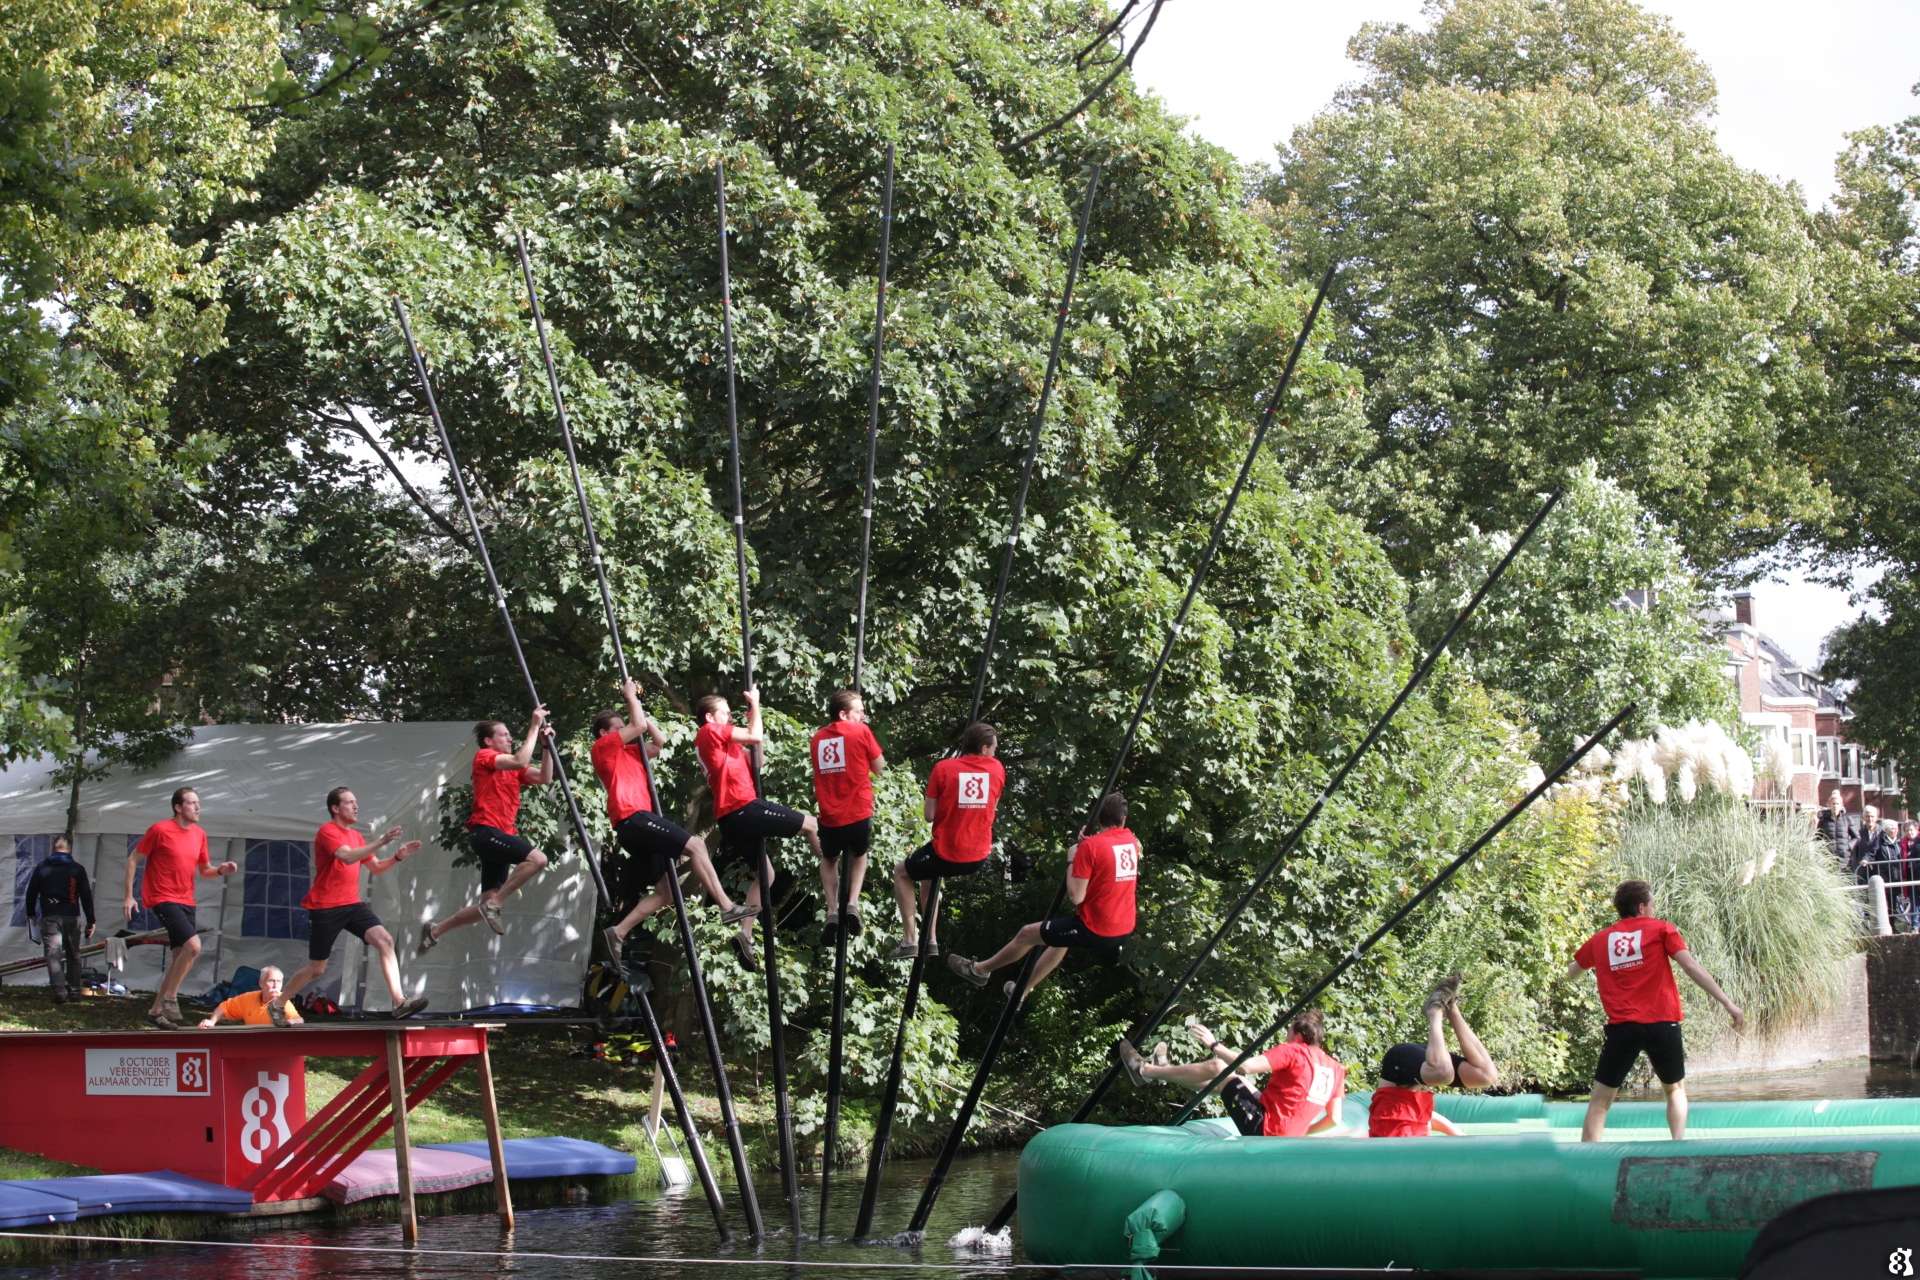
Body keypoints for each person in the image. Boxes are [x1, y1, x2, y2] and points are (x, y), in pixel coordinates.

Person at [593, 679, 758, 968]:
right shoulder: (603, 748)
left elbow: (659, 742)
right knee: (695, 845)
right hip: (632, 816)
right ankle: (727, 907)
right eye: (618, 729)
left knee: (668, 891)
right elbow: (640, 727)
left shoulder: (630, 752)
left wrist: (641, 709)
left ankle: (617, 932)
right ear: (604, 733)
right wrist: (631, 698)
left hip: (638, 821)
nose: (624, 732)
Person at [1567, 879, 1745, 1142]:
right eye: (1652, 905)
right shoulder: (1662, 929)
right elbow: (1691, 967)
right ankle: (1677, 1148)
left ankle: (1587, 1161)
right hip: (1663, 1024)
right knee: (1674, 1091)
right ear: (1641, 907)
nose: (1654, 909)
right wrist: (1728, 1003)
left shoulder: (1601, 939)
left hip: (1622, 1030)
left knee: (1600, 1102)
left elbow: (1572, 972)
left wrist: (1591, 965)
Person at [948, 791, 1137, 1002]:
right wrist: (1087, 846)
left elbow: (1076, 896)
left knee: (1027, 933)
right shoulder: (1130, 842)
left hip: (1097, 930)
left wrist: (1072, 859)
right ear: (1123, 819)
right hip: (1124, 928)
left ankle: (979, 971)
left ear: (1098, 819)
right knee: (1060, 938)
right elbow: (1105, 858)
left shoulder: (1091, 848)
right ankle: (1022, 990)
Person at [274, 787, 427, 1024]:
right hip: (325, 907)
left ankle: (399, 1002)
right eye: (349, 802)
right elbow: (346, 857)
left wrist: (397, 856)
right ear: (335, 808)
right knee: (316, 969)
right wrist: (382, 840)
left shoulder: (356, 835)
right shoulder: (327, 831)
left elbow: (376, 867)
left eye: (356, 802)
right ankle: (278, 1004)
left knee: (385, 940)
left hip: (352, 905)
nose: (356, 806)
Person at [695, 686, 823, 968]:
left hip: (732, 818)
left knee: (765, 876)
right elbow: (755, 734)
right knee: (812, 826)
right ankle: (830, 869)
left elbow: (758, 758)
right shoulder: (709, 732)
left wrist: (755, 714)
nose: (730, 718)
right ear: (709, 717)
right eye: (725, 713)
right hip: (741, 806)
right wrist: (756, 706)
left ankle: (745, 934)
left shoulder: (726, 745)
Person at [420, 710, 555, 954]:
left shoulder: (513, 769)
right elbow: (520, 760)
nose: (509, 739)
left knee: (486, 902)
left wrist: (546, 747)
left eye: (509, 735)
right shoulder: (484, 756)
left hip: (498, 835)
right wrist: (534, 727)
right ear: (488, 741)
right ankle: (495, 905)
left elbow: (545, 777)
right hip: (487, 832)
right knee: (538, 859)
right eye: (503, 735)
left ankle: (435, 930)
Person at [1121, 1010, 1347, 1138]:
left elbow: (1247, 1065)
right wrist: (1302, 1133)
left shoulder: (1295, 1051)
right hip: (1284, 1134)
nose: (1286, 1038)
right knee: (1234, 1083)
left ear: (1298, 1037)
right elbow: (1334, 1119)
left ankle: (1146, 1070)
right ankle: (1164, 1071)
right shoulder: (1335, 1068)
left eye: (1288, 1033)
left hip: (1265, 1129)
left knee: (1220, 1068)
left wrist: (1214, 1044)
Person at [889, 722, 1005, 960]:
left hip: (948, 853)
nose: (995, 752)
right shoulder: (997, 769)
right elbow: (991, 806)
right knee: (927, 877)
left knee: (901, 872)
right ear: (983, 749)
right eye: (994, 748)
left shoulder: (944, 768)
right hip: (980, 855)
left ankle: (910, 940)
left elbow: (929, 815)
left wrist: (951, 800)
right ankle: (930, 939)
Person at [124, 788, 239, 1030]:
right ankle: (170, 997)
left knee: (180, 960)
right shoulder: (159, 830)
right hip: (162, 898)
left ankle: (155, 1012)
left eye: (199, 803)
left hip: (187, 901)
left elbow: (205, 870)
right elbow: (133, 859)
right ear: (178, 807)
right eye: (192, 803)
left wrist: (221, 870)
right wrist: (129, 896)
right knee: (194, 946)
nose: (198, 807)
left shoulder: (199, 834)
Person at [1367, 971, 1501, 1138]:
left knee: (1443, 1073)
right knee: (1486, 1075)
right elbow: (1424, 1116)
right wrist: (1456, 1133)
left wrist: (1454, 1132)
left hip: (1398, 1067)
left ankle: (1435, 1011)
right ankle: (1451, 1006)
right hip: (1423, 1073)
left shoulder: (1393, 1147)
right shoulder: (1417, 1135)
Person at [811, 688, 886, 944]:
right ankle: (852, 902)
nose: (864, 715)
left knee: (829, 859)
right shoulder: (861, 731)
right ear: (843, 714)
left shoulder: (817, 738)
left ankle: (832, 909)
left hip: (830, 816)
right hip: (858, 812)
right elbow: (880, 768)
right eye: (859, 710)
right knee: (859, 854)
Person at [24, 836, 94, 1004]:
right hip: (71, 915)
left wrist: (31, 913)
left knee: (53, 956)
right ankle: (75, 992)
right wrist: (91, 920)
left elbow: (31, 892)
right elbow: (86, 896)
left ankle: (59, 993)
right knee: (74, 954)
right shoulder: (77, 869)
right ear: (70, 849)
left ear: (53, 849)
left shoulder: (42, 867)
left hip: (50, 916)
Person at [197, 965, 303, 1027]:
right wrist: (211, 1021)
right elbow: (224, 1007)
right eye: (271, 981)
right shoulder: (248, 998)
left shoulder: (282, 1001)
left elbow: (298, 1019)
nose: (275, 986)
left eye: (279, 982)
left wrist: (294, 1021)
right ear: (261, 983)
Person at [1818, 791, 1856, 866]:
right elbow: (1817, 838)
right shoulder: (1823, 821)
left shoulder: (1847, 819)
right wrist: (1823, 850)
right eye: (1833, 803)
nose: (1835, 806)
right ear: (1830, 805)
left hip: (1844, 858)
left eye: (1837, 804)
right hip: (1828, 859)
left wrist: (1849, 846)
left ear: (1841, 805)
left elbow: (1856, 837)